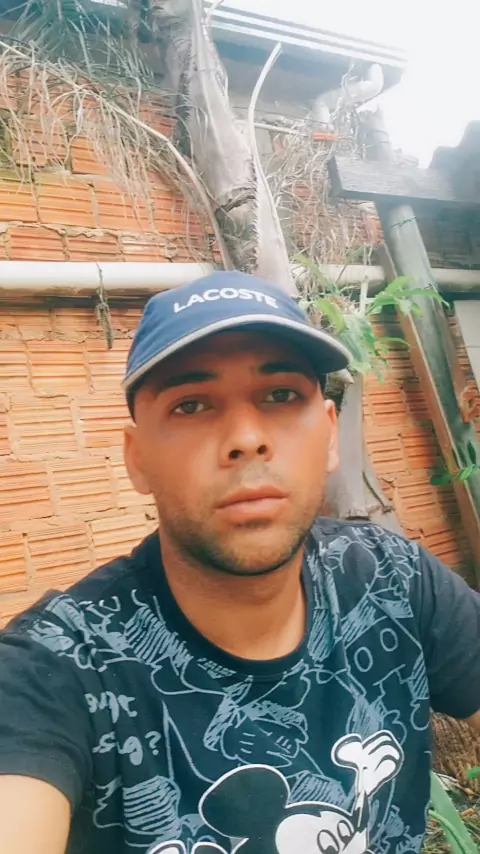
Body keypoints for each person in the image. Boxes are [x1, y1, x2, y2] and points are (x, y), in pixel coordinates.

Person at [0, 270, 479, 854]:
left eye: (280, 395)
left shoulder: (391, 579)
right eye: (191, 404)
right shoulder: (56, 670)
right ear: (137, 459)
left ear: (330, 436)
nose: (247, 438)